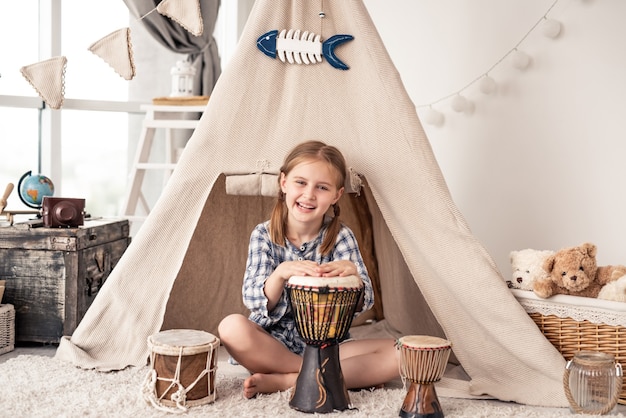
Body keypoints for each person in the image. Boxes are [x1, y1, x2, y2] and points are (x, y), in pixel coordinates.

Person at [218, 140, 399, 399]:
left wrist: (354, 277)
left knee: (400, 352)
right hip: (272, 345)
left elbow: (363, 302)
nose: (309, 194)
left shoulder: (341, 236)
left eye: (322, 187)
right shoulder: (263, 234)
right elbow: (253, 299)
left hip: (328, 344)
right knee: (230, 327)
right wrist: (281, 273)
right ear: (283, 183)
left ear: (336, 195)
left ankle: (288, 380)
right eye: (300, 182)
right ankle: (327, 375)